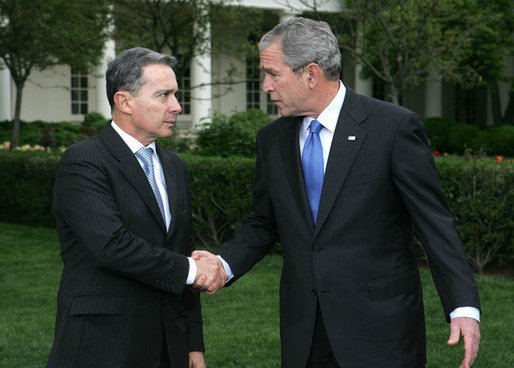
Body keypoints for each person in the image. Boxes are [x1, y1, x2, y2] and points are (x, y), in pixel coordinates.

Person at [193, 17, 481, 368]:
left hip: (381, 329)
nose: (265, 86)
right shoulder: (272, 139)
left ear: (311, 74)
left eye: (273, 73)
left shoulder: (393, 128)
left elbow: (434, 223)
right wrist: (224, 264)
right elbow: (263, 222)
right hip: (305, 330)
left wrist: (462, 305)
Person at [47, 47, 225, 368]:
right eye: (164, 95)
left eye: (176, 94)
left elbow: (182, 250)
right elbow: (110, 246)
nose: (177, 106)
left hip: (168, 347)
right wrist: (193, 270)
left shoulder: (175, 167)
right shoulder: (84, 160)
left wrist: (192, 345)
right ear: (124, 102)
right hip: (103, 345)